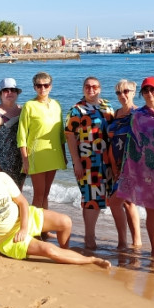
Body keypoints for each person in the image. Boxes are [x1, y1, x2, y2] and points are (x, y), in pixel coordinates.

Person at [114, 76, 154, 260]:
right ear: (141, 94)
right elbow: (132, 145)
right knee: (152, 213)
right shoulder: (138, 115)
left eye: (153, 89)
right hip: (147, 172)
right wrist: (131, 172)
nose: (150, 93)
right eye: (146, 90)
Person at [65, 76, 114, 250]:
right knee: (90, 198)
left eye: (94, 86)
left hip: (107, 160)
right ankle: (89, 237)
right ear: (83, 88)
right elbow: (69, 136)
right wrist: (76, 162)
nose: (91, 89)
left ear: (100, 88)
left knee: (102, 196)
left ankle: (94, 236)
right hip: (87, 161)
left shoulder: (107, 106)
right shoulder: (76, 110)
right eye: (87, 86)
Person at [17, 72, 66, 216]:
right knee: (38, 195)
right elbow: (22, 135)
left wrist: (63, 155)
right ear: (34, 87)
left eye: (46, 85)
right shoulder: (29, 106)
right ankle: (34, 226)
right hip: (36, 155)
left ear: (50, 86)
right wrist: (25, 159)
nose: (42, 88)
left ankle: (44, 225)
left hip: (53, 154)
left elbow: (61, 133)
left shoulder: (56, 105)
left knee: (46, 194)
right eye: (39, 85)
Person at [106, 79, 142, 249]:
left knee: (115, 203)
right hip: (116, 165)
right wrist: (113, 167)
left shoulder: (139, 114)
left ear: (134, 92)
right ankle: (136, 242)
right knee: (128, 203)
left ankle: (123, 242)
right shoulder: (116, 113)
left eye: (126, 91)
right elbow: (112, 142)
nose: (122, 95)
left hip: (132, 166)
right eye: (119, 92)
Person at [0, 77, 25, 189]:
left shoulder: (22, 110)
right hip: (3, 161)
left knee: (18, 191)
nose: (9, 93)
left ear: (17, 93)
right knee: (4, 191)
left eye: (13, 90)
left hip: (20, 159)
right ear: (0, 93)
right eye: (6, 90)